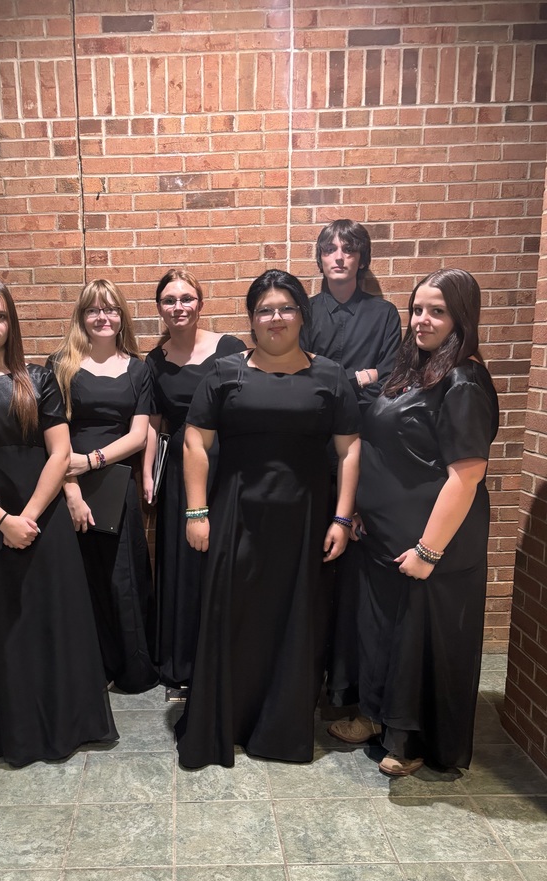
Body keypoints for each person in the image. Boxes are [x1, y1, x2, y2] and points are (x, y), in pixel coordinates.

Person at [174, 269, 360, 768]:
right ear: (252, 319)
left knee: (296, 620)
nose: (275, 318)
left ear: (302, 314)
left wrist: (342, 518)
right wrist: (197, 510)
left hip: (305, 520)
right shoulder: (225, 372)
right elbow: (195, 440)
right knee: (233, 618)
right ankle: (226, 721)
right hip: (236, 514)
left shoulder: (332, 376)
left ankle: (278, 727)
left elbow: (349, 450)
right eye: (264, 310)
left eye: (285, 308)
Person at [0, 279, 117, 767]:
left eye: (0, 316)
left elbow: (59, 453)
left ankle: (64, 722)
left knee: (51, 619)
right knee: (2, 625)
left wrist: (29, 515)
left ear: (11, 323)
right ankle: (9, 728)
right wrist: (2, 521)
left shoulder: (40, 378)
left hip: (44, 517)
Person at [343, 268, 499, 776]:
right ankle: (376, 717)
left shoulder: (464, 379)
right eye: (417, 310)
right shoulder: (414, 368)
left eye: (437, 311)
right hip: (384, 537)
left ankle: (410, 743)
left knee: (419, 643)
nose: (422, 320)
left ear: (462, 318)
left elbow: (466, 476)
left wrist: (429, 551)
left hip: (434, 544)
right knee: (382, 635)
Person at [303, 219, 403, 713]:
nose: (339, 257)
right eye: (330, 249)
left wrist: (336, 374)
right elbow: (298, 368)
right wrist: (351, 375)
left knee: (354, 561)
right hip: (309, 443)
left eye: (349, 249)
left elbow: (388, 376)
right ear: (319, 258)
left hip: (363, 444)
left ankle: (348, 683)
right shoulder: (305, 309)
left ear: (362, 259)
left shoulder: (384, 313)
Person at [48, 280, 157, 694]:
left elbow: (138, 435)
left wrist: (93, 460)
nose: (102, 317)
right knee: (80, 578)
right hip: (67, 487)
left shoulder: (138, 368)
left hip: (117, 487)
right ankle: (90, 669)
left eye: (110, 309)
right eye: (93, 310)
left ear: (121, 315)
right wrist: (72, 491)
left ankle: (132, 669)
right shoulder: (61, 365)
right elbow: (54, 436)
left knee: (123, 578)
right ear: (82, 317)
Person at [142, 269, 245, 693]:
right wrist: (147, 472)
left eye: (186, 298)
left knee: (226, 559)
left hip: (228, 465)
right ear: (160, 309)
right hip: (181, 469)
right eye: (169, 300)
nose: (178, 306)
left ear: (200, 304)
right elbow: (152, 422)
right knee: (183, 563)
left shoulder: (230, 349)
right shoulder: (154, 359)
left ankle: (226, 658)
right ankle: (183, 664)